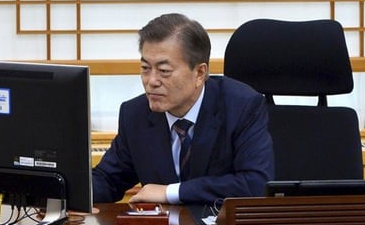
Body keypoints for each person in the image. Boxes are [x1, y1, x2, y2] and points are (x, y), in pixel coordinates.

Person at [92, 13, 274, 205]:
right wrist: (67, 197)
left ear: (199, 73)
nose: (151, 81)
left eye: (164, 71)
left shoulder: (241, 106)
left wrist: (170, 192)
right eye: (145, 68)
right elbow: (107, 179)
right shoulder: (135, 113)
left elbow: (254, 184)